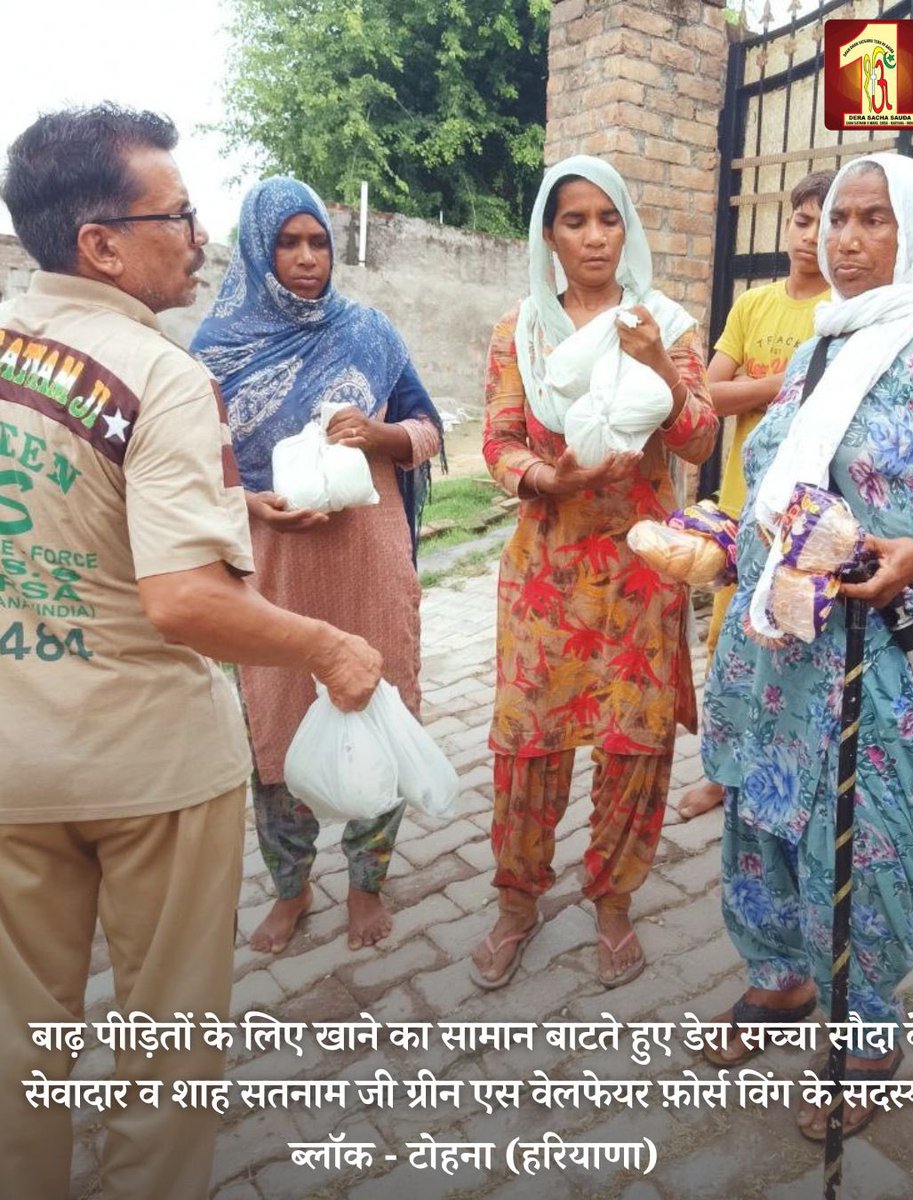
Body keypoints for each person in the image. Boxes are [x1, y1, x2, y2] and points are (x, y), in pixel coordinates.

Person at [0, 107, 381, 1200]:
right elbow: (183, 599)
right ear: (101, 245)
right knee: (165, 1049)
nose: (200, 235)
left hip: (13, 765)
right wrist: (328, 647)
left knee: (18, 1045)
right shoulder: (159, 373)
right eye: (175, 215)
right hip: (148, 773)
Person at [700, 153, 913, 1140]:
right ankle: (782, 978)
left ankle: (867, 1031)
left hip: (879, 650)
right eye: (836, 219)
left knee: (862, 836)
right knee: (762, 820)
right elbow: (778, 476)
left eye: (872, 220)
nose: (845, 240)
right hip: (781, 648)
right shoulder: (822, 341)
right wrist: (728, 541)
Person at [471, 154, 718, 990]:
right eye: (574, 221)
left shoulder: (665, 324)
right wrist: (550, 478)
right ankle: (517, 902)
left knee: (635, 741)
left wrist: (659, 370)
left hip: (641, 569)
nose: (594, 237)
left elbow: (699, 442)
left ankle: (613, 901)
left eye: (608, 219)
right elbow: (498, 442)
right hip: (546, 567)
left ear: (628, 228)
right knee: (527, 741)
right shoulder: (521, 330)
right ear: (548, 235)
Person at [192, 177, 444, 955]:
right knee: (275, 726)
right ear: (256, 252)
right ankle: (291, 888)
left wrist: (381, 436)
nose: (307, 258)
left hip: (369, 559)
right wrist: (252, 503)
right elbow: (197, 469)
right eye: (287, 243)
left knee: (378, 707)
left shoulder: (369, 332)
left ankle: (367, 882)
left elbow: (427, 427)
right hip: (272, 569)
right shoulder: (215, 352)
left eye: (318, 242)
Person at [678, 170, 834, 820]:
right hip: (745, 502)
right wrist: (785, 384)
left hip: (810, 517)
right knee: (726, 643)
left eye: (826, 224)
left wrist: (758, 386)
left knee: (792, 647)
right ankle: (721, 773)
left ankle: (784, 774)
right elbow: (708, 395)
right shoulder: (753, 307)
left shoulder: (841, 315)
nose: (811, 236)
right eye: (803, 220)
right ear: (786, 223)